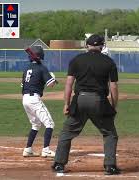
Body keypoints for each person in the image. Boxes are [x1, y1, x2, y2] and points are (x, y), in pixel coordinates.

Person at [52, 34, 120, 175]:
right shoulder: (109, 62)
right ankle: (110, 166)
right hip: (99, 101)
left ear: (87, 45)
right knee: (109, 134)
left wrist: (66, 104)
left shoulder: (76, 60)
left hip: (80, 100)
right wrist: (113, 106)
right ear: (102, 46)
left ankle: (59, 164)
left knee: (67, 133)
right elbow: (113, 87)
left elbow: (69, 84)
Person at [21, 46, 57, 158]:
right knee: (50, 124)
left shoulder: (27, 69)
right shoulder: (42, 68)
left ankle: (28, 149)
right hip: (34, 99)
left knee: (36, 124)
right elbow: (50, 84)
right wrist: (53, 79)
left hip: (25, 99)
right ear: (41, 56)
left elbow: (23, 85)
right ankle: (46, 150)